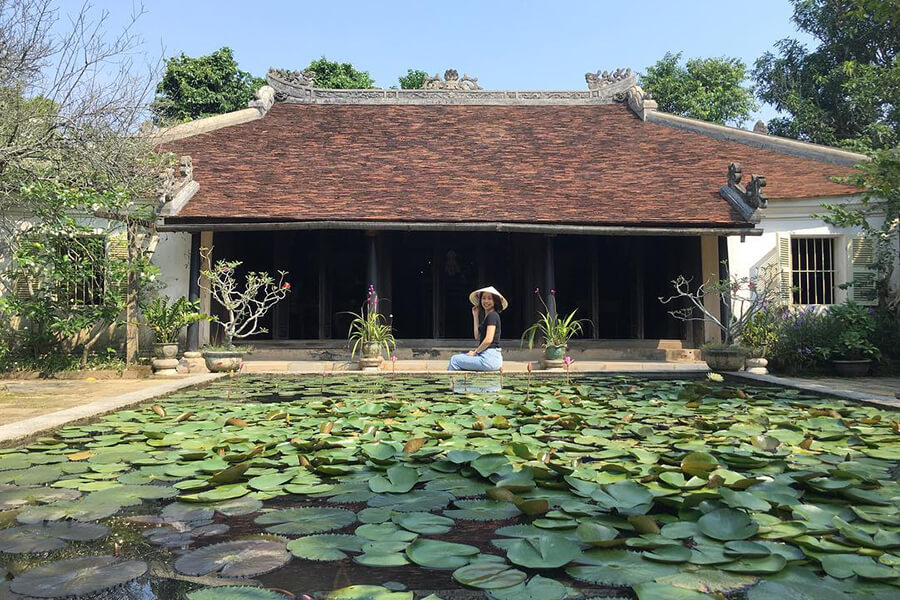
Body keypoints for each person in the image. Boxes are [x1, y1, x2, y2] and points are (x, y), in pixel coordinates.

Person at [448, 285, 507, 371]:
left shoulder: (492, 316)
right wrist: (475, 316)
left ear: (495, 301)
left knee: (454, 360)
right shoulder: (488, 317)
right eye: (483, 298)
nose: (486, 301)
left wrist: (475, 352)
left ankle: (452, 384)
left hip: (489, 358)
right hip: (489, 357)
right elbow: (477, 337)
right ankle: (461, 384)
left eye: (489, 298)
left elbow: (488, 340)